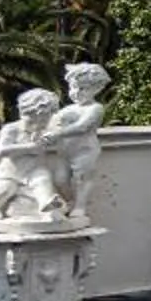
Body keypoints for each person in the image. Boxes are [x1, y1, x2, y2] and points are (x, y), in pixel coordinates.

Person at [0, 89, 64, 225]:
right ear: (35, 114)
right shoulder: (12, 129)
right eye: (47, 115)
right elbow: (2, 150)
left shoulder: (44, 131)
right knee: (4, 191)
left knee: (43, 183)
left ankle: (50, 210)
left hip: (34, 170)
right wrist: (29, 148)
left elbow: (58, 134)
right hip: (10, 173)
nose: (49, 119)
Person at [46, 62, 111, 217]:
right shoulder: (68, 109)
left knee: (81, 179)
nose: (76, 92)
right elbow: (53, 122)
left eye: (82, 88)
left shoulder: (95, 108)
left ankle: (80, 206)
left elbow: (82, 127)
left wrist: (57, 134)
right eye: (73, 87)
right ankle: (69, 201)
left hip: (84, 151)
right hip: (64, 152)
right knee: (60, 179)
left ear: (96, 89)